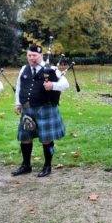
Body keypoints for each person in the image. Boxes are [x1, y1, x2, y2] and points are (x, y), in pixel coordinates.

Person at [11, 44, 69, 177]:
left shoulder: (51, 69)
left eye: (34, 55)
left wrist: (53, 85)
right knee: (25, 137)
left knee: (46, 139)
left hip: (45, 109)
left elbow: (66, 84)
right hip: (27, 109)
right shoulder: (23, 69)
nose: (31, 58)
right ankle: (26, 165)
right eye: (29, 55)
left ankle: (47, 166)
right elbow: (19, 86)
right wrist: (18, 103)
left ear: (41, 56)